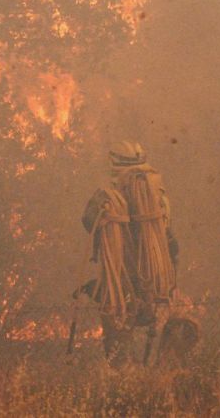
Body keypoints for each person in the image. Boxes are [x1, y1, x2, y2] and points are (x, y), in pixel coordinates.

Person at [81, 140, 179, 364]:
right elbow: (170, 240)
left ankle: (123, 384)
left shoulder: (108, 198)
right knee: (157, 348)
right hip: (157, 284)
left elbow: (88, 222)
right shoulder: (160, 198)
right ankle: (153, 384)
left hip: (122, 283)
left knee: (118, 346)